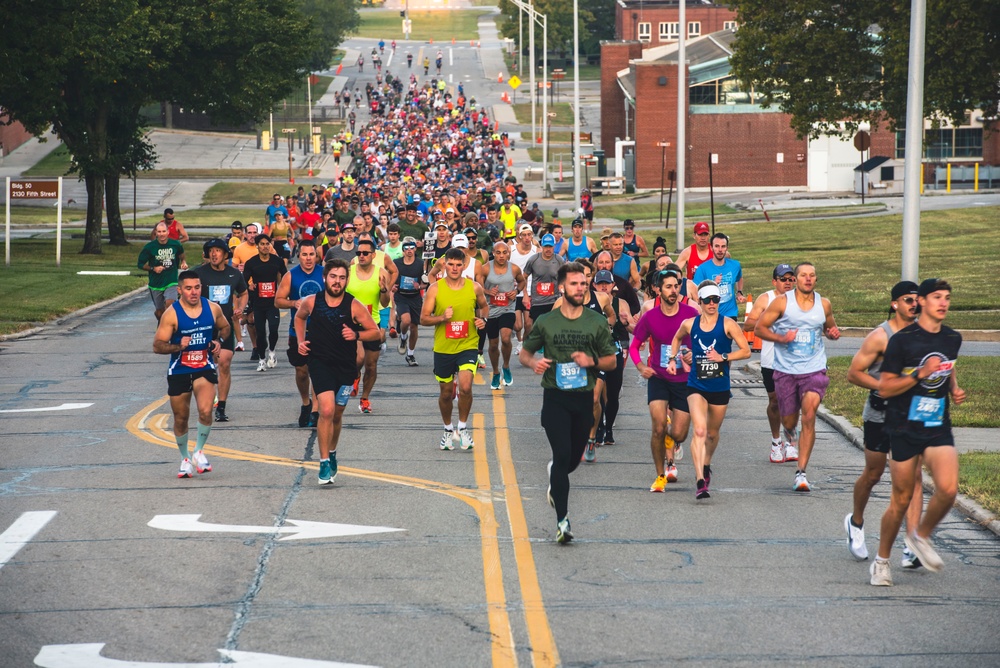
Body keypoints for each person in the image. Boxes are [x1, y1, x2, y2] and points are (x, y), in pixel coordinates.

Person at [870, 278, 966, 586]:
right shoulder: (902, 340)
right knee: (900, 500)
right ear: (921, 301)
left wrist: (954, 387)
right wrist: (919, 375)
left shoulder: (953, 338)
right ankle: (882, 561)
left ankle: (920, 537)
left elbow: (947, 366)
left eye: (947, 297)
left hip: (937, 424)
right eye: (937, 297)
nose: (943, 302)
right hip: (902, 425)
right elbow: (885, 387)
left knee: (948, 489)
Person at [519, 262, 618, 543]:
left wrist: (592, 361)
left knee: (571, 461)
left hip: (583, 400)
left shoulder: (596, 322)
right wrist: (534, 362)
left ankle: (555, 475)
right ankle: (562, 521)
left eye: (583, 283)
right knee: (562, 455)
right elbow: (524, 353)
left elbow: (611, 361)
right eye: (574, 284)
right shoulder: (547, 322)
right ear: (562, 287)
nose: (580, 288)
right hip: (555, 398)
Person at [845, 281, 924, 565]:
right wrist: (884, 385)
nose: (913, 304)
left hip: (911, 417)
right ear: (894, 304)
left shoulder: (924, 334)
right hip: (879, 415)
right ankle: (855, 522)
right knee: (873, 474)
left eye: (917, 300)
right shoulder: (881, 336)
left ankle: (912, 542)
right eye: (907, 300)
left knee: (914, 479)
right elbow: (854, 373)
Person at [754, 262, 841, 492]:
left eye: (812, 275)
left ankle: (801, 472)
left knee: (809, 414)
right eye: (803, 275)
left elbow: (830, 328)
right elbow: (759, 329)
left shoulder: (824, 304)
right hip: (785, 371)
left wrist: (832, 334)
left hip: (814, 369)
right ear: (798, 279)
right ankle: (788, 433)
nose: (808, 279)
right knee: (789, 421)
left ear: (816, 279)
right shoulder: (782, 302)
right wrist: (782, 339)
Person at [294, 259, 380, 485]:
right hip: (319, 363)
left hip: (345, 367)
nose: (337, 281)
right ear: (325, 277)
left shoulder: (354, 305)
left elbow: (375, 332)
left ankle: (332, 452)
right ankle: (323, 463)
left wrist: (356, 335)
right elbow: (299, 317)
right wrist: (301, 342)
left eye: (342, 278)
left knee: (338, 414)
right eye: (333, 277)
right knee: (327, 410)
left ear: (347, 280)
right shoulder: (312, 301)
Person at [667, 281, 751, 499]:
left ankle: (706, 465)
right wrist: (672, 358)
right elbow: (676, 338)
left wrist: (723, 357)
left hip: (720, 386)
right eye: (708, 300)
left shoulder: (728, 324)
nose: (712, 304)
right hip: (697, 384)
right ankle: (699, 480)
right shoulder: (689, 324)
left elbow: (746, 351)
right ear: (701, 302)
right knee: (700, 431)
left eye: (716, 300)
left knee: (712, 434)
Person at [153, 270, 230, 478]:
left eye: (197, 287)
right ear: (179, 290)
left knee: (205, 411)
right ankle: (185, 458)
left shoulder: (212, 308)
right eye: (188, 288)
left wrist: (217, 342)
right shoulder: (172, 314)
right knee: (181, 417)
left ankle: (199, 451)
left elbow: (225, 328)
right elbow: (157, 346)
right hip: (179, 369)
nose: (193, 292)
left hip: (203, 367)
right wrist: (178, 346)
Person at [631, 268, 698, 491]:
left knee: (679, 433)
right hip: (658, 377)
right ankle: (660, 476)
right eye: (668, 286)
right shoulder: (651, 316)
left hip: (684, 380)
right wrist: (641, 366)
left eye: (676, 286)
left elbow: (703, 340)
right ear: (658, 290)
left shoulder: (690, 314)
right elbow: (634, 345)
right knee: (658, 427)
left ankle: (671, 439)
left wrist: (693, 355)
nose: (673, 291)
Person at [420, 248, 489, 451]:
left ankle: (463, 427)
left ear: (464, 265)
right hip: (443, 347)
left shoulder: (474, 287)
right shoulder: (435, 289)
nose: (454, 268)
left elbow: (485, 307)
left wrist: (482, 319)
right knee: (446, 393)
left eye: (459, 265)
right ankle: (448, 429)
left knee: (466, 386)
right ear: (444, 265)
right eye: (450, 264)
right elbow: (423, 318)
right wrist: (441, 318)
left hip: (468, 344)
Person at [743, 264, 798, 463]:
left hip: (794, 359)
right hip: (771, 359)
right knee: (775, 401)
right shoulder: (766, 299)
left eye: (791, 279)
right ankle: (776, 443)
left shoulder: (802, 299)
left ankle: (791, 442)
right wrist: (772, 322)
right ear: (774, 281)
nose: (788, 283)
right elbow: (749, 324)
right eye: (783, 279)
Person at [192, 239, 248, 423]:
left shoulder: (233, 274)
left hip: (225, 327)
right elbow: (187, 295)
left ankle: (221, 406)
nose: (214, 254)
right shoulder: (199, 274)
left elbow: (244, 292)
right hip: (204, 327)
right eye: (211, 251)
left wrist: (239, 307)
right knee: (207, 365)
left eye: (218, 251)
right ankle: (210, 397)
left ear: (225, 254)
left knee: (224, 363)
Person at [275, 240, 325, 428]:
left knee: (318, 370)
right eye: (304, 255)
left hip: (322, 331)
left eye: (311, 254)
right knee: (302, 371)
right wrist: (293, 303)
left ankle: (315, 410)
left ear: (316, 255)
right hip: (298, 330)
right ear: (299, 256)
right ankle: (306, 403)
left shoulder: (324, 274)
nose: (308, 258)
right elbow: (278, 301)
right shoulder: (291, 275)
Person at [347, 238, 391, 413]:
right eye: (359, 253)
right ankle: (355, 375)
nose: (361, 256)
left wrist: (383, 289)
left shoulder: (381, 273)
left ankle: (364, 398)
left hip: (372, 324)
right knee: (358, 358)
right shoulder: (348, 272)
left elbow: (385, 302)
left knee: (371, 365)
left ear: (373, 255)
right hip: (351, 323)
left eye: (365, 253)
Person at [478, 240, 525, 389]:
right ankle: (496, 372)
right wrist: (487, 291)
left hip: (507, 309)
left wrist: (516, 292)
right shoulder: (485, 269)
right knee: (492, 345)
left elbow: (522, 282)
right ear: (493, 253)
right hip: (490, 310)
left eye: (504, 252)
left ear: (508, 254)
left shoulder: (514, 269)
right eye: (498, 252)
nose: (501, 256)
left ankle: (505, 366)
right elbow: (477, 286)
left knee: (505, 338)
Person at [242, 233, 288, 372]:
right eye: (262, 244)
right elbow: (243, 280)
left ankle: (272, 352)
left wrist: (283, 291)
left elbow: (286, 276)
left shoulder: (277, 261)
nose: (265, 247)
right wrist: (249, 286)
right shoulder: (252, 262)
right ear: (257, 246)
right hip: (258, 302)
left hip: (273, 302)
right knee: (260, 333)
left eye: (267, 244)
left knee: (273, 329)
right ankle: (262, 359)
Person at [138, 221, 186, 322]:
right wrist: (153, 268)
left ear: (168, 232)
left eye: (164, 231)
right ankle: (162, 322)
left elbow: (181, 253)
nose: (161, 234)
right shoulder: (150, 247)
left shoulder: (175, 244)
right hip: (156, 283)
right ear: (155, 233)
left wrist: (183, 262)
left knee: (170, 304)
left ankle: (170, 328)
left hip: (171, 280)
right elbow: (140, 264)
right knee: (160, 311)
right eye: (159, 232)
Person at [689, 233, 744, 319]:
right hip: (710, 314)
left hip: (730, 313)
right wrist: (713, 284)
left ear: (727, 248)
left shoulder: (735, 265)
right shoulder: (702, 269)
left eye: (723, 246)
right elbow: (695, 292)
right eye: (717, 246)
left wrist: (739, 292)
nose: (720, 250)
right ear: (711, 248)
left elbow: (739, 277)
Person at [392, 237, 426, 366]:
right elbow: (390, 277)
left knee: (414, 326)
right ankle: (403, 336)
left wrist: (420, 286)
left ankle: (410, 354)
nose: (409, 250)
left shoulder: (420, 263)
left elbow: (426, 282)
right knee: (406, 320)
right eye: (406, 248)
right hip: (401, 296)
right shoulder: (396, 263)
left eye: (412, 247)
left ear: (415, 248)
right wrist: (392, 286)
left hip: (415, 297)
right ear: (403, 250)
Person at [522, 233, 566, 326]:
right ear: (542, 246)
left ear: (554, 246)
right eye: (546, 246)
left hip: (554, 301)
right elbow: (524, 277)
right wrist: (525, 295)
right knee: (539, 329)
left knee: (554, 328)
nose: (548, 249)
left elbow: (565, 279)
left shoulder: (559, 260)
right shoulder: (533, 260)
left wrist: (564, 296)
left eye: (550, 246)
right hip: (538, 302)